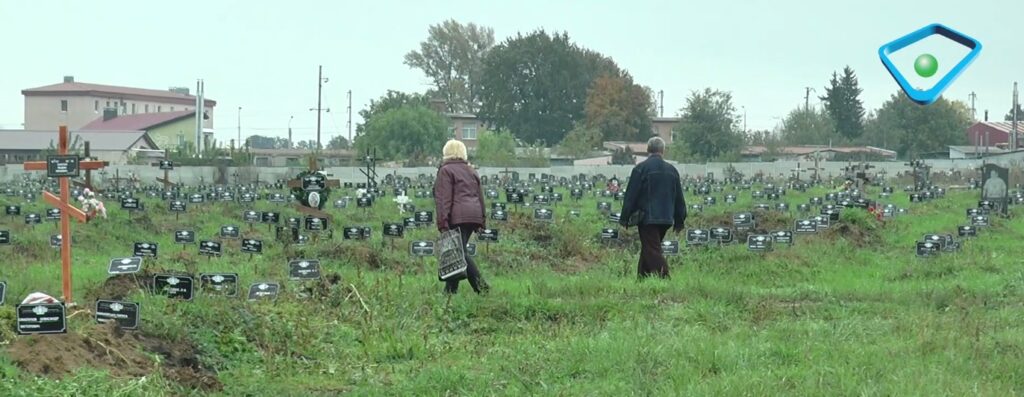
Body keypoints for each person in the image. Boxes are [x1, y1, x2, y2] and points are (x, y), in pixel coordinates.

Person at [620, 137, 686, 279]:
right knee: (649, 247)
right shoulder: (672, 170)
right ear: (663, 150)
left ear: (647, 150)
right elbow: (679, 198)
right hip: (667, 218)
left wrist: (625, 217)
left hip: (647, 217)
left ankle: (664, 278)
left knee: (652, 249)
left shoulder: (641, 168)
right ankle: (642, 279)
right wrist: (679, 220)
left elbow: (631, 195)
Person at [434, 140, 489, 294]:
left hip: (456, 216)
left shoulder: (446, 170)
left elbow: (443, 199)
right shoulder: (472, 171)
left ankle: (482, 288)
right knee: (457, 251)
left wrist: (443, 223)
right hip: (473, 216)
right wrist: (482, 220)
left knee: (459, 252)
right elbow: (480, 196)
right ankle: (450, 291)